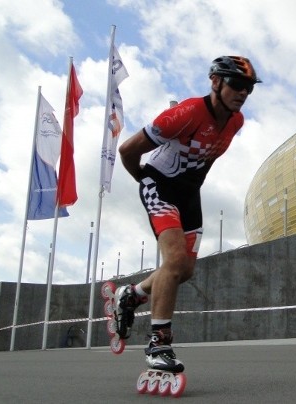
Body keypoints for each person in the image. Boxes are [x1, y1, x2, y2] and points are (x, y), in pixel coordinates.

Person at [113, 56, 261, 372]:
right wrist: (142, 178)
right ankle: (158, 344)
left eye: (248, 88)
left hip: (189, 194)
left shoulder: (237, 121)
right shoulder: (187, 113)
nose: (243, 93)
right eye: (236, 84)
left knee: (186, 270)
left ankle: (133, 295)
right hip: (160, 185)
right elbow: (127, 150)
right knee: (175, 262)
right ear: (216, 82)